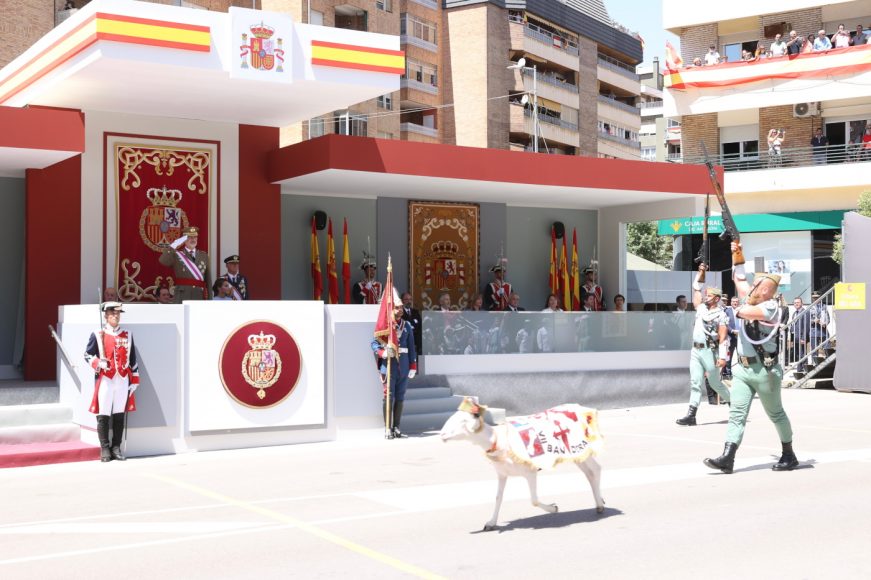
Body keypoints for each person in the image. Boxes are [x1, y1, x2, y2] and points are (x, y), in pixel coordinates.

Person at [704, 242, 799, 474]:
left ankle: (789, 454)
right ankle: (728, 457)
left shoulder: (770, 307)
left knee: (775, 413)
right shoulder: (753, 298)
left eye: (757, 285)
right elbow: (739, 278)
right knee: (736, 413)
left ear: (765, 290)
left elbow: (743, 312)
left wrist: (734, 306)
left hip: (765, 371)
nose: (752, 286)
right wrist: (737, 252)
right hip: (744, 370)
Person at [675, 264, 731, 426]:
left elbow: (723, 337)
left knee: (715, 383)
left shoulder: (721, 314)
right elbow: (696, 288)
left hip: (709, 351)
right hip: (696, 350)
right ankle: (691, 415)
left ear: (717, 299)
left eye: (710, 296)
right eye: (707, 295)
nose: (707, 297)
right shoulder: (700, 308)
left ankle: (734, 405)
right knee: (695, 382)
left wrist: (722, 357)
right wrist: (701, 272)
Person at [84, 302, 139, 462]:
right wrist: (98, 363)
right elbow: (87, 355)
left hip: (122, 379)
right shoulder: (97, 334)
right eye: (112, 313)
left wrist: (134, 379)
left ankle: (116, 447)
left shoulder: (128, 334)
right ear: (106, 315)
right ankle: (105, 448)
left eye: (118, 313)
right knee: (103, 415)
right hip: (105, 379)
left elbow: (133, 359)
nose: (116, 316)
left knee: (119, 415)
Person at [370, 292, 417, 439]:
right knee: (388, 396)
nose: (401, 310)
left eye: (401, 307)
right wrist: (383, 353)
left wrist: (413, 365)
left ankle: (396, 427)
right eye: (397, 307)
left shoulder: (407, 325)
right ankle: (387, 428)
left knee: (400, 396)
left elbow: (411, 346)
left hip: (403, 365)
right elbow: (374, 343)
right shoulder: (385, 327)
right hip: (389, 364)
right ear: (391, 309)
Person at [159, 226, 211, 301]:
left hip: (198, 295)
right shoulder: (177, 255)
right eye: (189, 237)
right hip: (182, 295)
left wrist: (209, 299)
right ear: (184, 239)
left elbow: (208, 280)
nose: (193, 239)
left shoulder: (204, 256)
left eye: (195, 237)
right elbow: (162, 261)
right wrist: (173, 246)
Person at [788, 297, 810, 372]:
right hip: (795, 337)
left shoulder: (805, 312)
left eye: (798, 302)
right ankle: (801, 368)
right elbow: (794, 325)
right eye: (795, 303)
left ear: (802, 303)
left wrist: (804, 338)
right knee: (798, 353)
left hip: (801, 337)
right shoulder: (794, 313)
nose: (796, 304)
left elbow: (806, 326)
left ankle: (803, 368)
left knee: (802, 353)